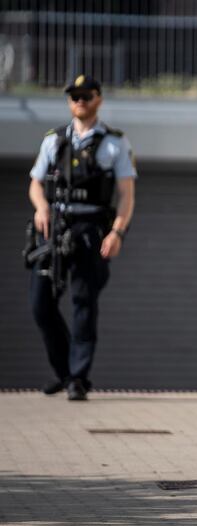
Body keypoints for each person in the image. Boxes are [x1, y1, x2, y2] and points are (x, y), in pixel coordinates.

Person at [28, 75, 137, 401]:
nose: (80, 101)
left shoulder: (115, 143)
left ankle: (77, 377)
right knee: (40, 305)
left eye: (86, 96)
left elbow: (127, 195)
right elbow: (35, 183)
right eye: (74, 96)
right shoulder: (54, 140)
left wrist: (117, 231)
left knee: (83, 304)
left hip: (91, 227)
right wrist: (41, 207)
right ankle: (64, 371)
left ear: (98, 99)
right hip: (55, 226)